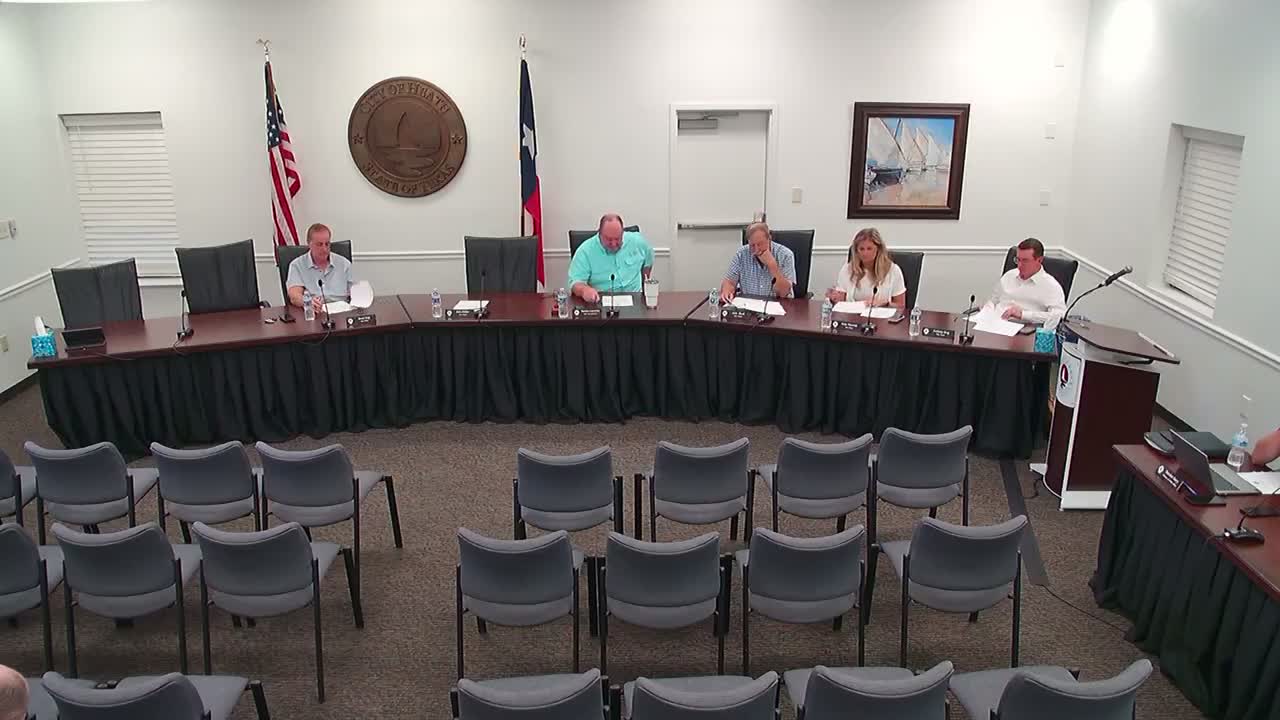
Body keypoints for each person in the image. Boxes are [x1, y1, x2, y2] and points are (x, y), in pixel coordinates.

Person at [568, 213, 654, 303]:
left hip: (635, 301)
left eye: (617, 239)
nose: (613, 244)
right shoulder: (585, 251)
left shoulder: (637, 242)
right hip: (602, 301)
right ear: (599, 234)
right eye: (609, 239)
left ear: (622, 233)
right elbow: (575, 283)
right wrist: (585, 290)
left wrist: (645, 289)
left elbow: (648, 262)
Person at [984, 237, 1066, 326]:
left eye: (1025, 261)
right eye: (1018, 260)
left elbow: (1058, 316)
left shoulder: (1051, 286)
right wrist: (986, 310)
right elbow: (994, 301)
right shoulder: (1009, 275)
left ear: (1039, 260)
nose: (1019, 265)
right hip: (993, 323)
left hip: (1022, 329)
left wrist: (1023, 315)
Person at [825, 227, 906, 309]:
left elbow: (901, 306)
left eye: (869, 249)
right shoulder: (848, 269)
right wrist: (834, 298)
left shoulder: (893, 270)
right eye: (861, 249)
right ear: (856, 251)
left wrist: (886, 304)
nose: (865, 253)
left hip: (882, 315)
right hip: (853, 315)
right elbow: (841, 301)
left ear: (878, 249)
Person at [718, 221, 796, 303]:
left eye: (760, 244)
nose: (756, 250)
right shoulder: (741, 254)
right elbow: (729, 282)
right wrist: (727, 291)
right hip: (748, 305)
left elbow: (784, 293)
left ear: (769, 238)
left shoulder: (785, 255)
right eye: (752, 245)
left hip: (776, 305)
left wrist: (772, 265)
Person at [286, 223, 354, 315]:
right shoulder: (297, 265)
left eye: (327, 244)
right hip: (314, 313)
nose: (324, 249)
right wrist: (308, 302)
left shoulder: (344, 264)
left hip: (342, 314)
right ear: (309, 244)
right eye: (319, 244)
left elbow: (354, 293)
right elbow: (294, 296)